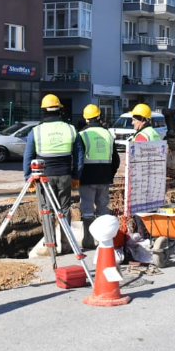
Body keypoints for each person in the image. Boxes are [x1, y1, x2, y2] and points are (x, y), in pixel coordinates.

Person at [23, 94, 84, 251]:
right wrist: (76, 176)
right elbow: (79, 155)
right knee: (64, 210)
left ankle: (50, 246)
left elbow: (28, 156)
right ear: (60, 111)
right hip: (65, 175)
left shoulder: (35, 132)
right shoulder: (71, 129)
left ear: (43, 111)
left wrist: (27, 177)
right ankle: (66, 245)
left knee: (46, 210)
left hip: (44, 177)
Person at [75, 104, 120, 249]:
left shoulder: (82, 134)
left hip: (87, 176)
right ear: (99, 116)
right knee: (102, 208)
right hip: (104, 176)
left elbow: (78, 158)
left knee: (87, 208)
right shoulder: (108, 134)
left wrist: (76, 175)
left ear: (86, 119)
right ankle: (104, 241)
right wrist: (110, 174)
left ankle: (88, 241)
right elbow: (116, 159)